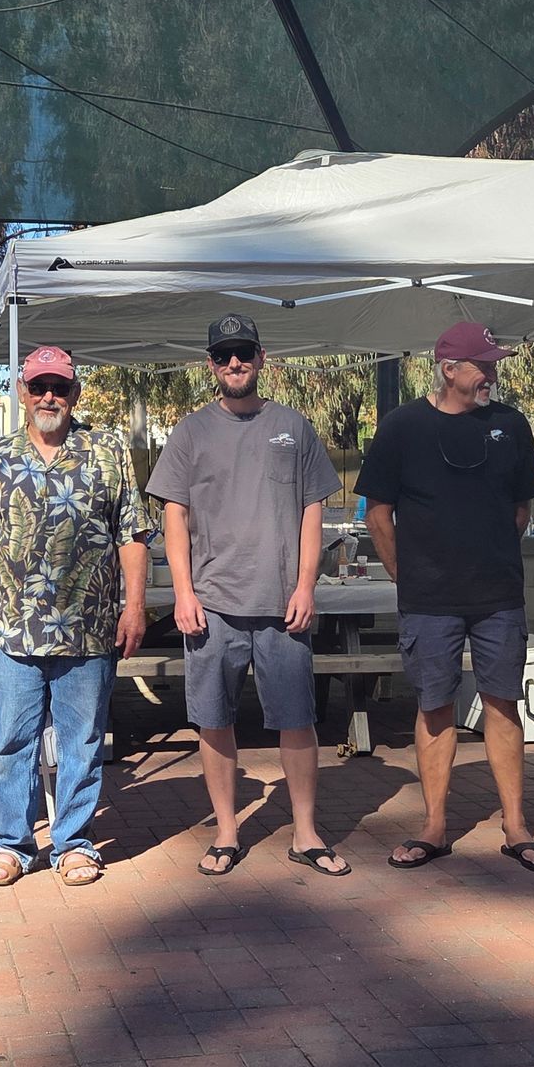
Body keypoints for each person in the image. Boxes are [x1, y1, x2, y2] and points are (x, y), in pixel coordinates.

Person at [146, 314, 349, 879]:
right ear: (210, 364)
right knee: (214, 720)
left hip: (284, 606)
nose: (233, 363)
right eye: (222, 355)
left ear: (262, 357)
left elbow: (315, 510)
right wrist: (182, 593)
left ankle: (306, 833)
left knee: (298, 719)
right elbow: (174, 516)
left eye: (243, 353)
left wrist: (307, 585)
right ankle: (228, 831)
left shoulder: (294, 427)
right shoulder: (190, 432)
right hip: (211, 605)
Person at [356, 320, 534, 872]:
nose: (492, 374)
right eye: (482, 365)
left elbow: (522, 508)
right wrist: (407, 574)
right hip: (428, 600)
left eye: (493, 364)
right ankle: (435, 825)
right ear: (450, 369)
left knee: (501, 702)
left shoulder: (510, 425)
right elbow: (377, 514)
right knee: (433, 706)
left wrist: (486, 553)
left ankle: (516, 826)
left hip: (497, 596)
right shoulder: (402, 427)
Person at [0, 345, 153, 888]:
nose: (49, 397)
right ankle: (11, 845)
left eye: (59, 388)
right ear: (22, 391)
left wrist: (135, 606)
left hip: (88, 630)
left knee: (82, 741)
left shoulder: (107, 452)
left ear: (75, 393)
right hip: (12, 631)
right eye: (39, 386)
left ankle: (74, 844)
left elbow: (133, 535)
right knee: (13, 742)